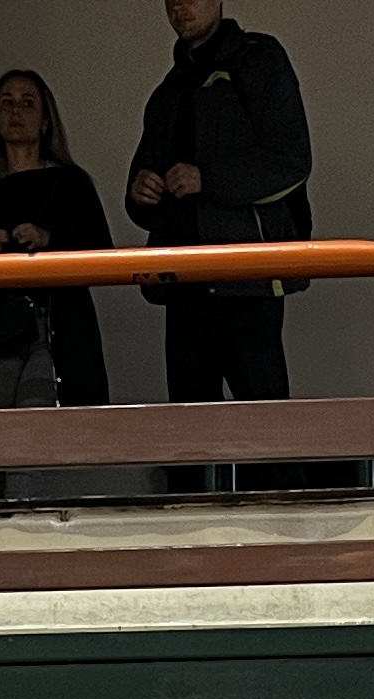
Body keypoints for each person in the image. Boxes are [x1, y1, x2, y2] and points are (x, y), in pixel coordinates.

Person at [127, 0, 313, 413]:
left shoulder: (259, 59)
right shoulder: (167, 92)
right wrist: (140, 190)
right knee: (191, 428)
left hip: (246, 279)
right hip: (183, 285)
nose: (179, 5)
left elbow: (291, 160)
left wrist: (206, 179)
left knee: (265, 424)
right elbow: (143, 197)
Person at [0, 68, 114, 410]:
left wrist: (50, 239)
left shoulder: (72, 185)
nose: (16, 111)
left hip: (61, 330)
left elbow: (103, 255)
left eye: (28, 103)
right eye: (7, 103)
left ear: (45, 121)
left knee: (47, 427)